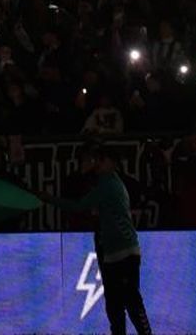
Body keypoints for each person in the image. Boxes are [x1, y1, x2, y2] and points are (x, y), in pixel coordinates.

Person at [54, 143, 153, 335]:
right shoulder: (109, 182)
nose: (96, 162)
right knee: (121, 303)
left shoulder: (107, 184)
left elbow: (78, 206)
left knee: (124, 302)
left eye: (101, 159)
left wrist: (48, 198)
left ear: (111, 163)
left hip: (120, 253)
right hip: (117, 252)